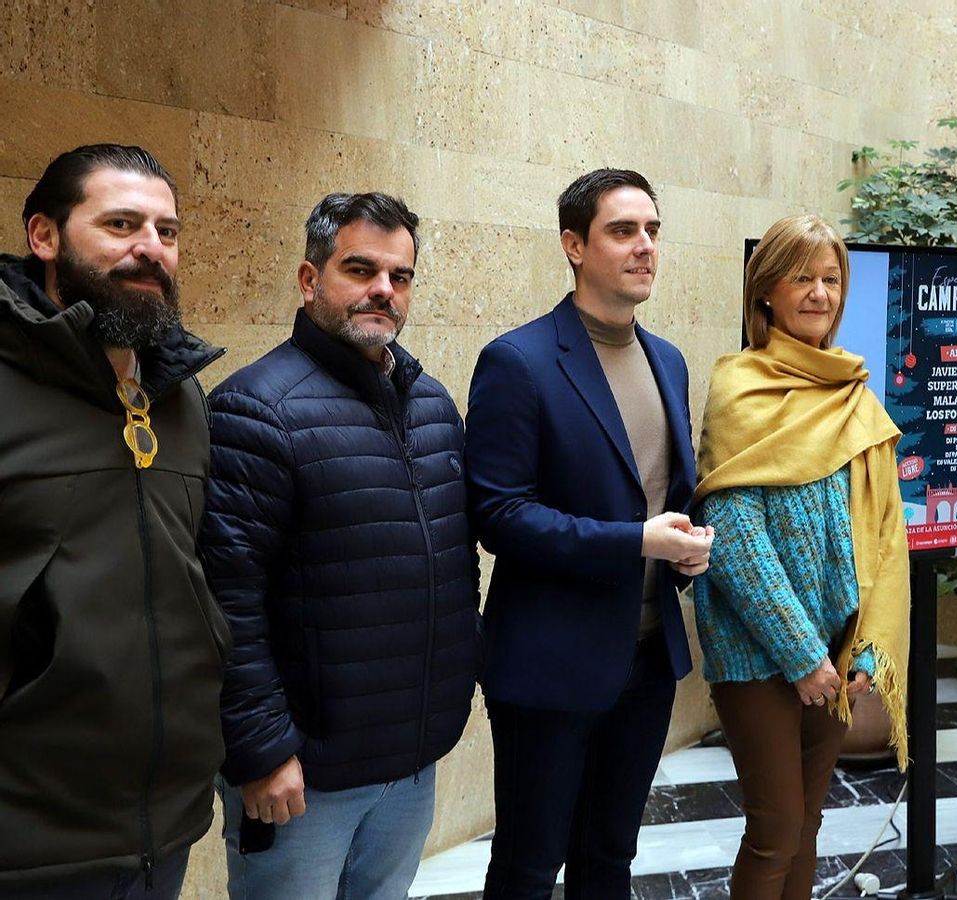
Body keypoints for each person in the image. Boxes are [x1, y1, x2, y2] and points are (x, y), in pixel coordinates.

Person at [200, 192, 480, 899]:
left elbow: (453, 562)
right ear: (309, 279)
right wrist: (260, 750)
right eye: (360, 269)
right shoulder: (255, 409)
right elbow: (224, 599)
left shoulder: (433, 405)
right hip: (305, 777)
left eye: (400, 276)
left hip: (411, 761)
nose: (383, 289)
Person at [465, 168, 713, 899]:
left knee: (610, 860)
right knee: (530, 864)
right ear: (574, 245)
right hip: (550, 662)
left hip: (645, 661)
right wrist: (636, 541)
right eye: (623, 231)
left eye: (653, 231)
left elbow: (667, 492)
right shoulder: (520, 360)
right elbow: (500, 514)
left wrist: (686, 549)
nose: (644, 247)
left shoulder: (666, 359)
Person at [0, 144, 225, 899]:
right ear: (45, 236)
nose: (150, 249)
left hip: (164, 828)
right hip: (30, 839)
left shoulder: (180, 395)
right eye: (122, 223)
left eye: (167, 230)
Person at [693, 214, 910, 900]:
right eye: (802, 278)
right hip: (759, 654)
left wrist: (865, 649)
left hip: (838, 651)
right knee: (775, 830)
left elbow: (882, 530)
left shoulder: (850, 389)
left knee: (810, 825)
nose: (819, 293)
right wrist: (801, 655)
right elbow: (734, 535)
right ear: (767, 292)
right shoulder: (740, 385)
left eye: (831, 278)